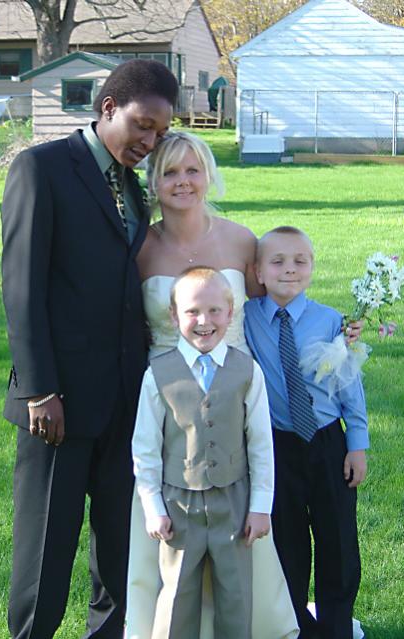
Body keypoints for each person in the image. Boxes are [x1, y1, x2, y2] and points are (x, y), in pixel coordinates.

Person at [1, 59, 178, 639]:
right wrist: (40, 390)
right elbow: (22, 288)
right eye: (143, 125)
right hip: (58, 402)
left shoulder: (133, 186)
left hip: (124, 400)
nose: (150, 142)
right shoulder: (42, 169)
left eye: (160, 132)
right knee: (46, 551)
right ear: (108, 108)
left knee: (118, 550)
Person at [126, 131, 300, 639]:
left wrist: (336, 331)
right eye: (170, 172)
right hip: (169, 403)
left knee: (236, 515)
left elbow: (274, 307)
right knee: (172, 528)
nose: (182, 181)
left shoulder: (241, 240)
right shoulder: (140, 248)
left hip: (235, 394)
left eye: (192, 170)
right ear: (154, 181)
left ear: (208, 175)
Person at [132, 267, 275, 639]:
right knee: (177, 593)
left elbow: (261, 443)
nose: (204, 321)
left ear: (230, 313)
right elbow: (145, 447)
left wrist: (260, 506)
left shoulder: (248, 371)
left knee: (236, 594)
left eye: (214, 311)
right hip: (178, 504)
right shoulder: (157, 375)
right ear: (173, 316)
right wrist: (153, 507)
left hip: (234, 501)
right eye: (192, 311)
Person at [244, 226, 369, 639]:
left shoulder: (331, 321)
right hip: (278, 444)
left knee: (338, 540)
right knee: (286, 541)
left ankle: (336, 626)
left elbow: (350, 387)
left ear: (313, 267)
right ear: (258, 272)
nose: (289, 270)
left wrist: (357, 444)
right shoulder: (246, 318)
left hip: (328, 441)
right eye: (277, 262)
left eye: (300, 261)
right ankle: (296, 625)